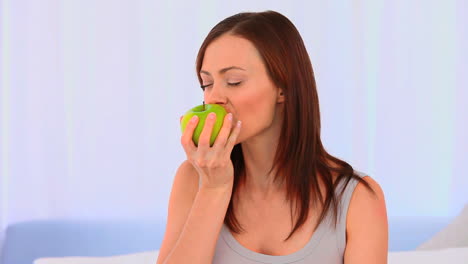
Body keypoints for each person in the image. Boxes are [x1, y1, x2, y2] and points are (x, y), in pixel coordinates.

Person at [157, 10, 388, 264]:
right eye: (206, 84)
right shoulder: (193, 180)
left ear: (283, 88)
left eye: (234, 81)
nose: (213, 98)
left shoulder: (357, 198)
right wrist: (214, 189)